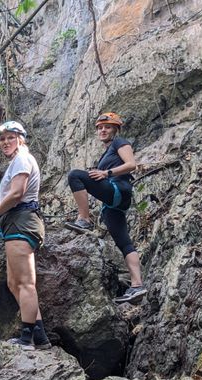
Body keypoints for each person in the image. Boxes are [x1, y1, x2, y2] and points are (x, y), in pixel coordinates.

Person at [64, 112, 147, 304]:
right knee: (124, 242)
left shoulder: (120, 143)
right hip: (114, 203)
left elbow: (131, 165)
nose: (103, 130)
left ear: (116, 129)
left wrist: (106, 172)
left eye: (107, 127)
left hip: (120, 188)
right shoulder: (107, 152)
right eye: (100, 127)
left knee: (75, 175)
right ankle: (137, 285)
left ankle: (84, 219)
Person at [0, 121, 51, 351]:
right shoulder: (16, 162)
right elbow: (9, 195)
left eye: (10, 137)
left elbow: (17, 194)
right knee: (14, 283)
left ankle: (27, 339)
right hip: (15, 221)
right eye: (2, 139)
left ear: (21, 139)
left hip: (22, 220)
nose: (5, 142)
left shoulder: (22, 158)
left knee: (25, 283)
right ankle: (40, 336)